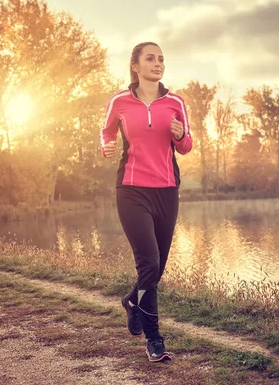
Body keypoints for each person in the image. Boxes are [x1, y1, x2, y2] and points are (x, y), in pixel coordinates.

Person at [99, 41, 193, 362]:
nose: (158, 63)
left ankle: (132, 301)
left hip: (167, 191)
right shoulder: (120, 101)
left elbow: (187, 146)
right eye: (150, 58)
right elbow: (106, 132)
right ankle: (154, 340)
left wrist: (180, 135)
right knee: (149, 263)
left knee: (157, 270)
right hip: (131, 190)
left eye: (161, 59)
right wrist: (107, 146)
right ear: (136, 66)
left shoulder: (176, 102)